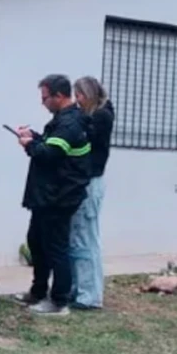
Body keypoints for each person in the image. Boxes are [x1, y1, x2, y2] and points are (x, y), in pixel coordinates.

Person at [12, 74, 92, 316]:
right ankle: (37, 291)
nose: (43, 102)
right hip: (47, 196)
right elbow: (52, 146)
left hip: (59, 197)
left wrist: (29, 144)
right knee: (37, 242)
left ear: (59, 96)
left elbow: (49, 154)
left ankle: (59, 301)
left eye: (45, 98)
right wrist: (35, 137)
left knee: (56, 248)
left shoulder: (70, 124)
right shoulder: (62, 121)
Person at [68, 76, 114, 311]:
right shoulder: (95, 115)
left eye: (80, 96)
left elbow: (86, 136)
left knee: (85, 237)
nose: (77, 101)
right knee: (78, 237)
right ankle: (79, 289)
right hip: (85, 180)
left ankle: (89, 295)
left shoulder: (100, 117)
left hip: (90, 181)